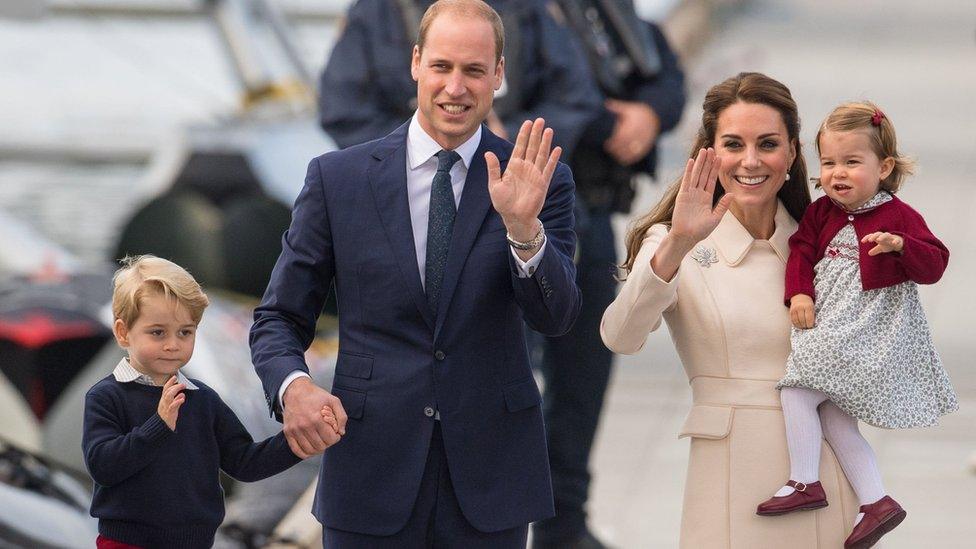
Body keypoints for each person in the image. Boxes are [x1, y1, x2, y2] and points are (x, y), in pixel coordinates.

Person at [249, 1, 581, 546]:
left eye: (474, 70)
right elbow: (278, 318)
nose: (456, 87)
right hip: (368, 473)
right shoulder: (339, 180)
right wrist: (295, 387)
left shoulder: (540, 179)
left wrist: (523, 229)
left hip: (492, 480)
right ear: (416, 64)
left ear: (499, 75)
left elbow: (558, 317)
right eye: (442, 67)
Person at [600, 72, 860, 547]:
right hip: (730, 476)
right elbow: (621, 336)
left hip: (825, 473)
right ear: (709, 152)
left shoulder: (825, 243)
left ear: (793, 154)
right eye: (734, 144)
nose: (751, 161)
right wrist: (678, 242)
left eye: (768, 143)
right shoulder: (673, 243)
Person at [756, 101, 957, 549]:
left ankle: (805, 480)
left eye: (852, 162)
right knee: (834, 418)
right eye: (828, 163)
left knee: (796, 390)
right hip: (832, 322)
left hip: (865, 334)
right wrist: (800, 293)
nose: (837, 174)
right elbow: (801, 253)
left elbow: (935, 264)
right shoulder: (821, 213)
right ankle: (877, 501)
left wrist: (901, 245)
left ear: (883, 167)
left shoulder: (898, 216)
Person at [530, 2, 685, 547]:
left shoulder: (595, 7)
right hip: (505, 218)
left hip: (590, 214)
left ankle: (562, 525)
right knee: (501, 382)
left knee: (582, 380)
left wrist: (648, 116)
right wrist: (605, 121)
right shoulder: (475, 17)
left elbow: (663, 70)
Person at [82, 255, 313, 549]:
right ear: (123, 332)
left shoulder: (203, 399)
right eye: (157, 332)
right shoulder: (106, 397)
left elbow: (244, 462)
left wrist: (298, 441)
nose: (173, 344)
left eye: (185, 332)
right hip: (127, 544)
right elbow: (103, 467)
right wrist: (159, 425)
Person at [318, 0, 601, 160]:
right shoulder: (375, 12)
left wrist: (504, 141)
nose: (454, 88)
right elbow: (343, 112)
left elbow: (574, 98)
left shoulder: (527, 8)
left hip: (517, 176)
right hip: (403, 189)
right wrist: (425, 146)